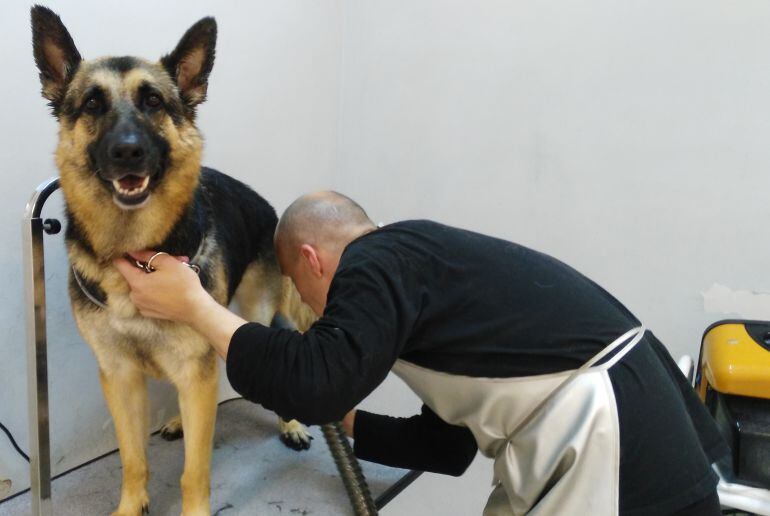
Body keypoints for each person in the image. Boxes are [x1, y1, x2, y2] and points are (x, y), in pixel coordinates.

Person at [114, 191, 727, 516]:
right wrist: (343, 421)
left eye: (303, 294)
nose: (313, 311)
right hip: (638, 426)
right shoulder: (425, 276)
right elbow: (448, 444)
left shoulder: (376, 261)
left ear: (312, 260)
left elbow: (316, 380)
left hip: (618, 444)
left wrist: (196, 307)